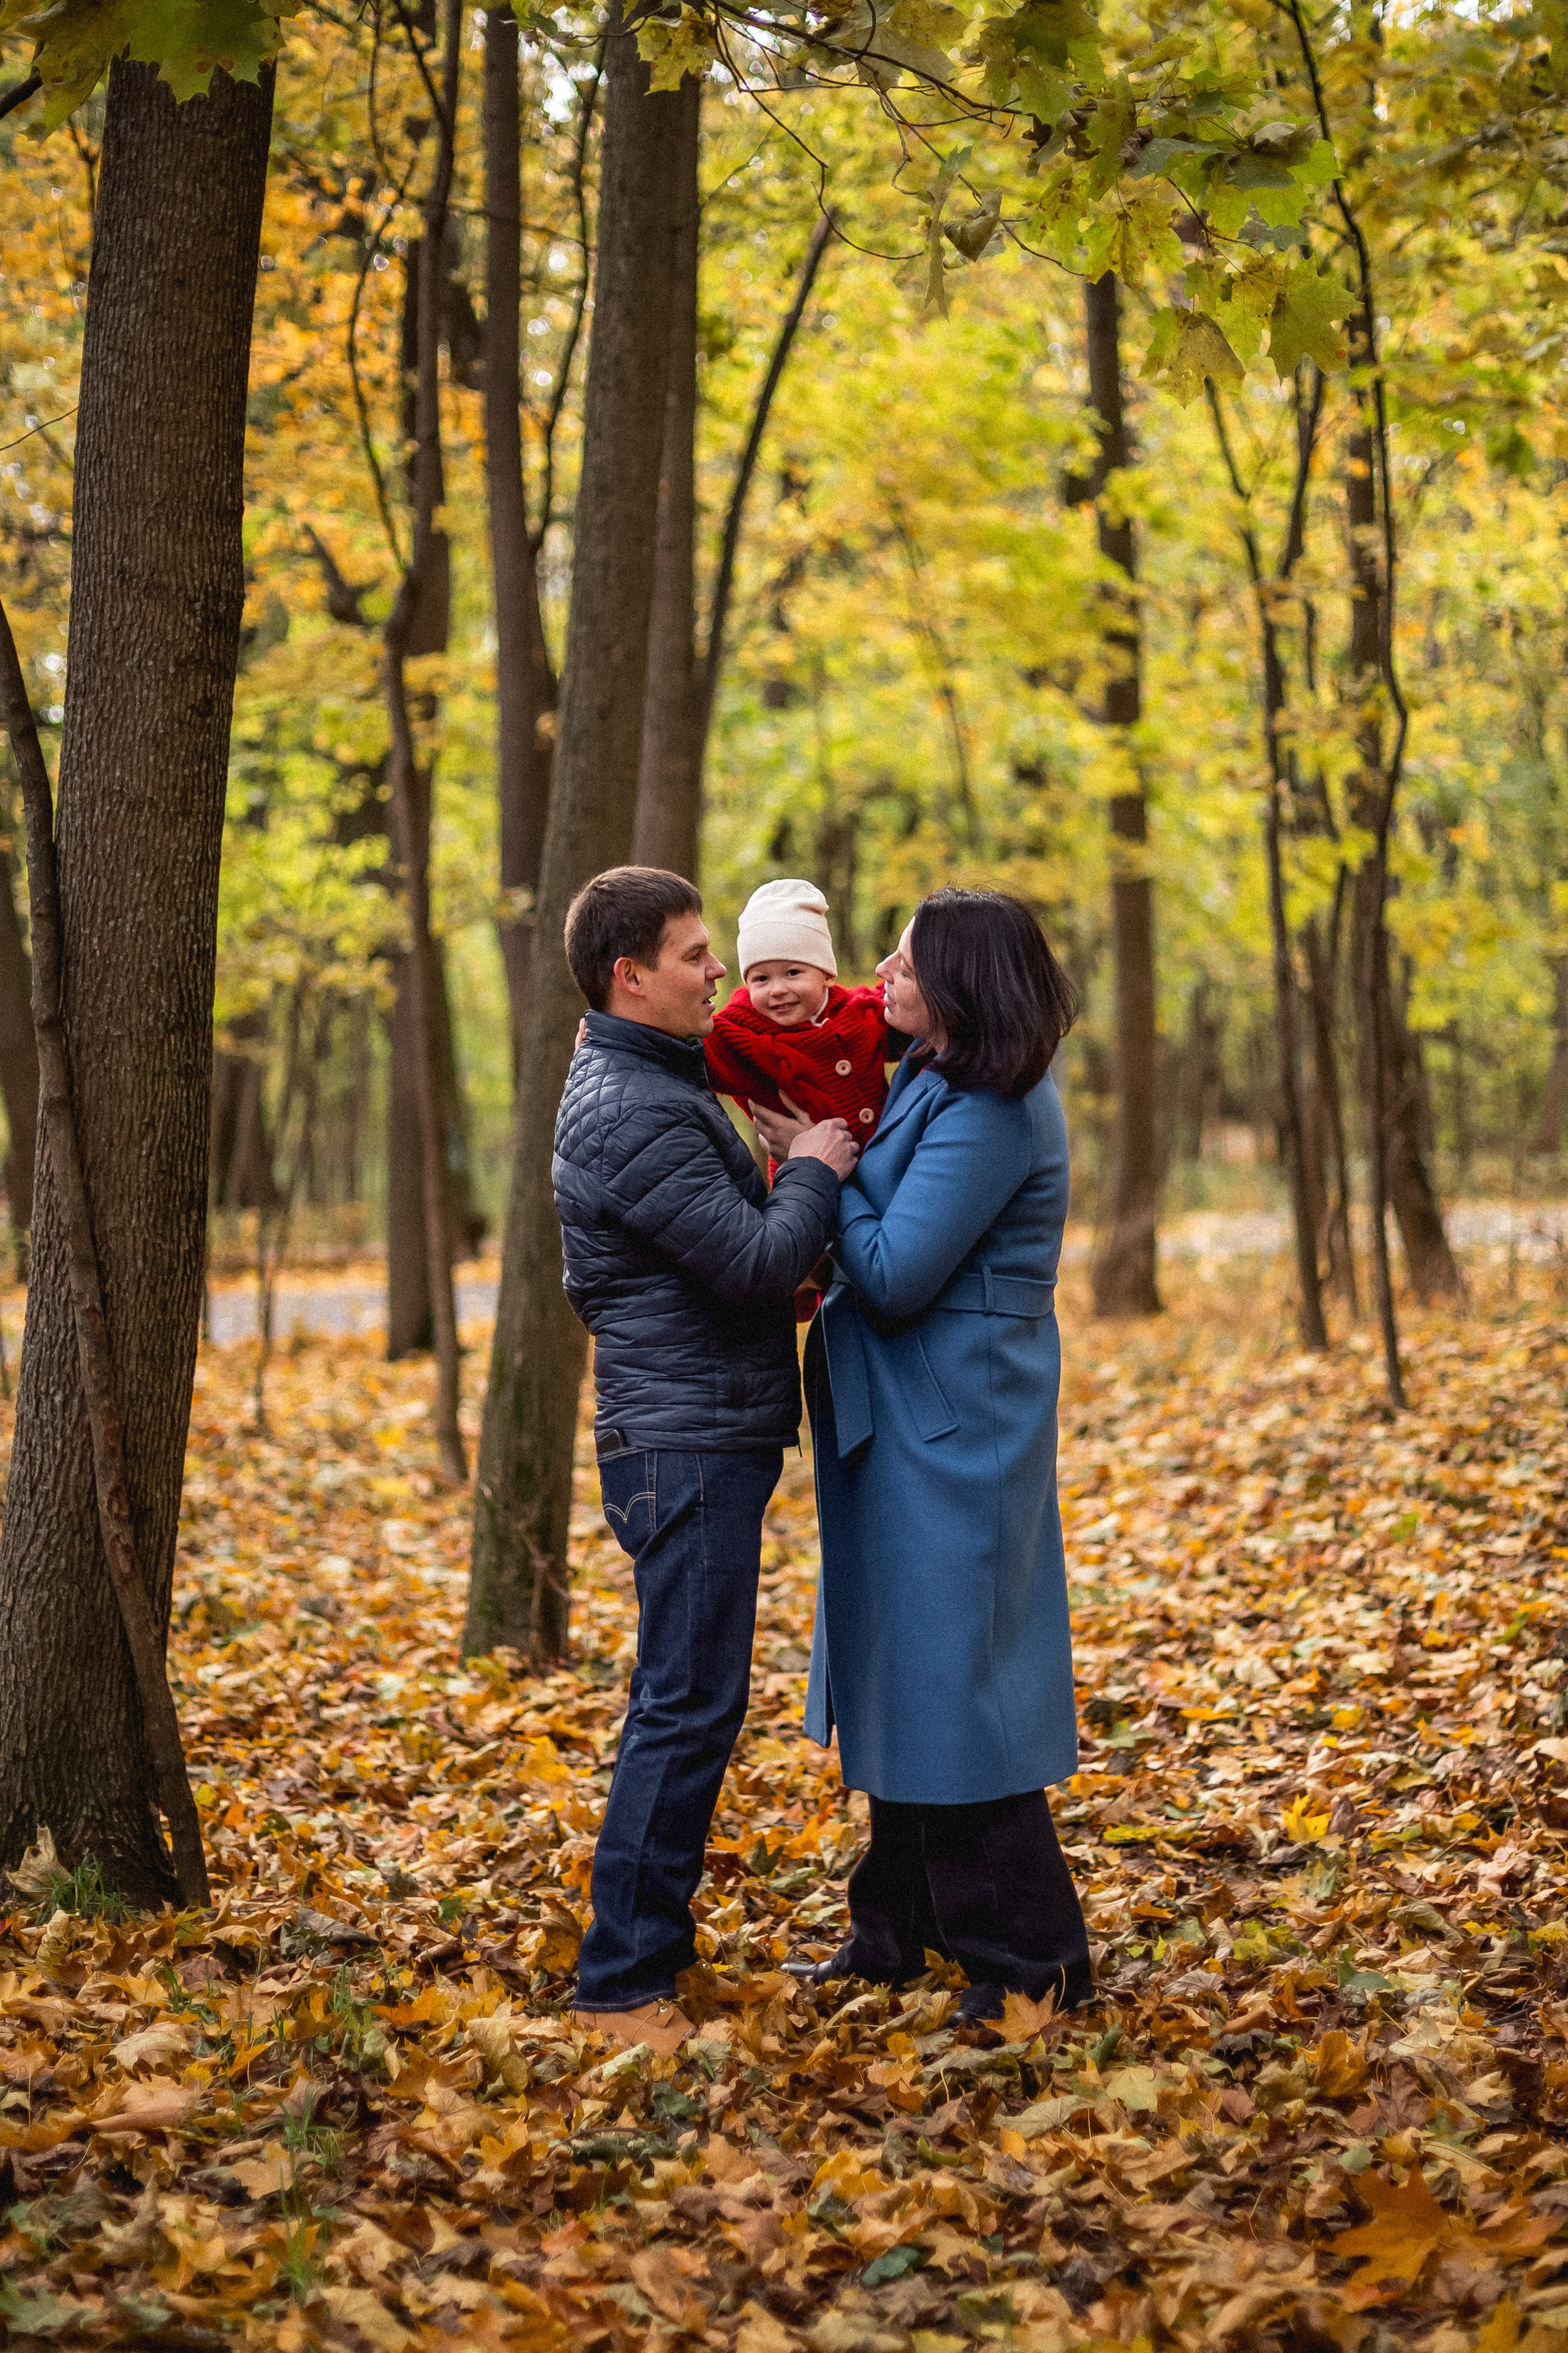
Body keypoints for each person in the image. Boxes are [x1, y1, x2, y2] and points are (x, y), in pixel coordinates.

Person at [754, 886, 1091, 2025]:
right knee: (904, 1673)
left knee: (958, 1684)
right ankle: (896, 1926)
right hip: (899, 1422)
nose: (881, 978)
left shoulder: (995, 1107)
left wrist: (820, 1174)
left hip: (955, 1426)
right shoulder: (933, 1080)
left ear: (961, 986)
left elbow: (896, 1274)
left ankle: (1032, 1958)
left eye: (903, 963)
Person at [552, 866, 859, 2058]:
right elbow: (750, 1264)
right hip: (678, 1441)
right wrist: (817, 1165)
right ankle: (620, 1986)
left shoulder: (657, 1080)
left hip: (698, 1426)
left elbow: (757, 1268)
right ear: (630, 976)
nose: (718, 973)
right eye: (693, 955)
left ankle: (651, 1958)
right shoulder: (632, 1107)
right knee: (683, 1707)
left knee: (689, 1701)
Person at [704, 878, 894, 1150]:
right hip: (806, 1178)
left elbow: (912, 1014)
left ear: (827, 974)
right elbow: (686, 1050)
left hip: (885, 1160)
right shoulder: (740, 1033)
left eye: (793, 973)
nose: (778, 989)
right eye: (761, 979)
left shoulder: (860, 1012)